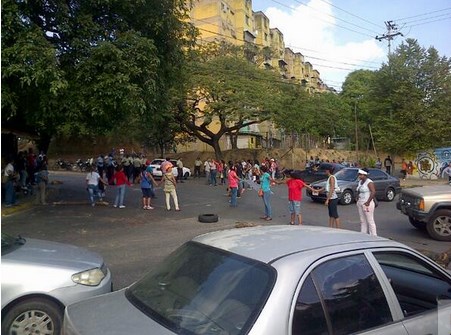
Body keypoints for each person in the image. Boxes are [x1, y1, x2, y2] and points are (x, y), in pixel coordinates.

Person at [356, 169, 377, 236]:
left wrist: (368, 202)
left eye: (360, 174)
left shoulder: (369, 182)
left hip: (367, 203)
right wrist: (357, 197)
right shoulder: (360, 182)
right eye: (359, 174)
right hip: (360, 202)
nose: (359, 176)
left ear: (365, 175)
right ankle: (363, 234)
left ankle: (373, 235)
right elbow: (358, 190)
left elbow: (373, 192)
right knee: (362, 220)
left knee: (370, 220)